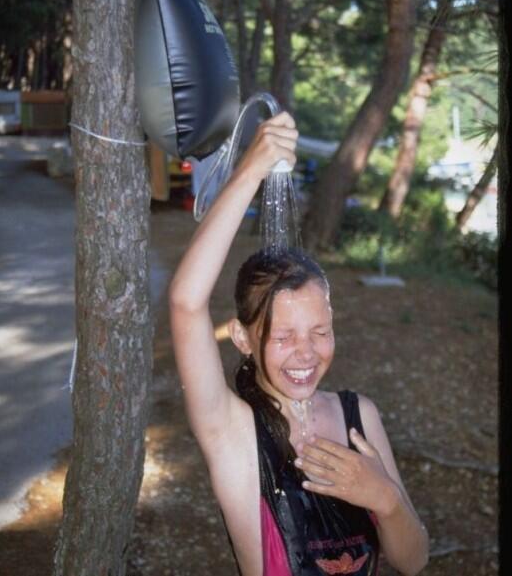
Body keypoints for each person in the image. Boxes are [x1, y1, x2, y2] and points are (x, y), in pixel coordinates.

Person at [168, 111, 429, 576]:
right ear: (243, 338)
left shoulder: (358, 418)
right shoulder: (233, 433)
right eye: (283, 337)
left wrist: (384, 499)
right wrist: (251, 168)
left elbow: (414, 561)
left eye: (319, 332)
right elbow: (186, 302)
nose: (306, 353)